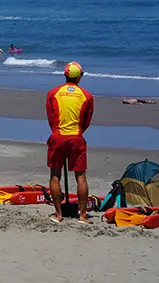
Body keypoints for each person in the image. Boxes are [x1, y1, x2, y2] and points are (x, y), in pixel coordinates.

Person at [46, 61, 95, 224]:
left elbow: (51, 117)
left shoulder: (54, 93)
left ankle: (58, 214)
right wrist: (77, 133)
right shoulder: (86, 96)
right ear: (79, 77)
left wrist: (58, 132)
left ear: (65, 75)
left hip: (58, 136)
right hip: (76, 138)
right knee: (81, 176)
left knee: (55, 176)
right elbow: (87, 121)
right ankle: (82, 215)